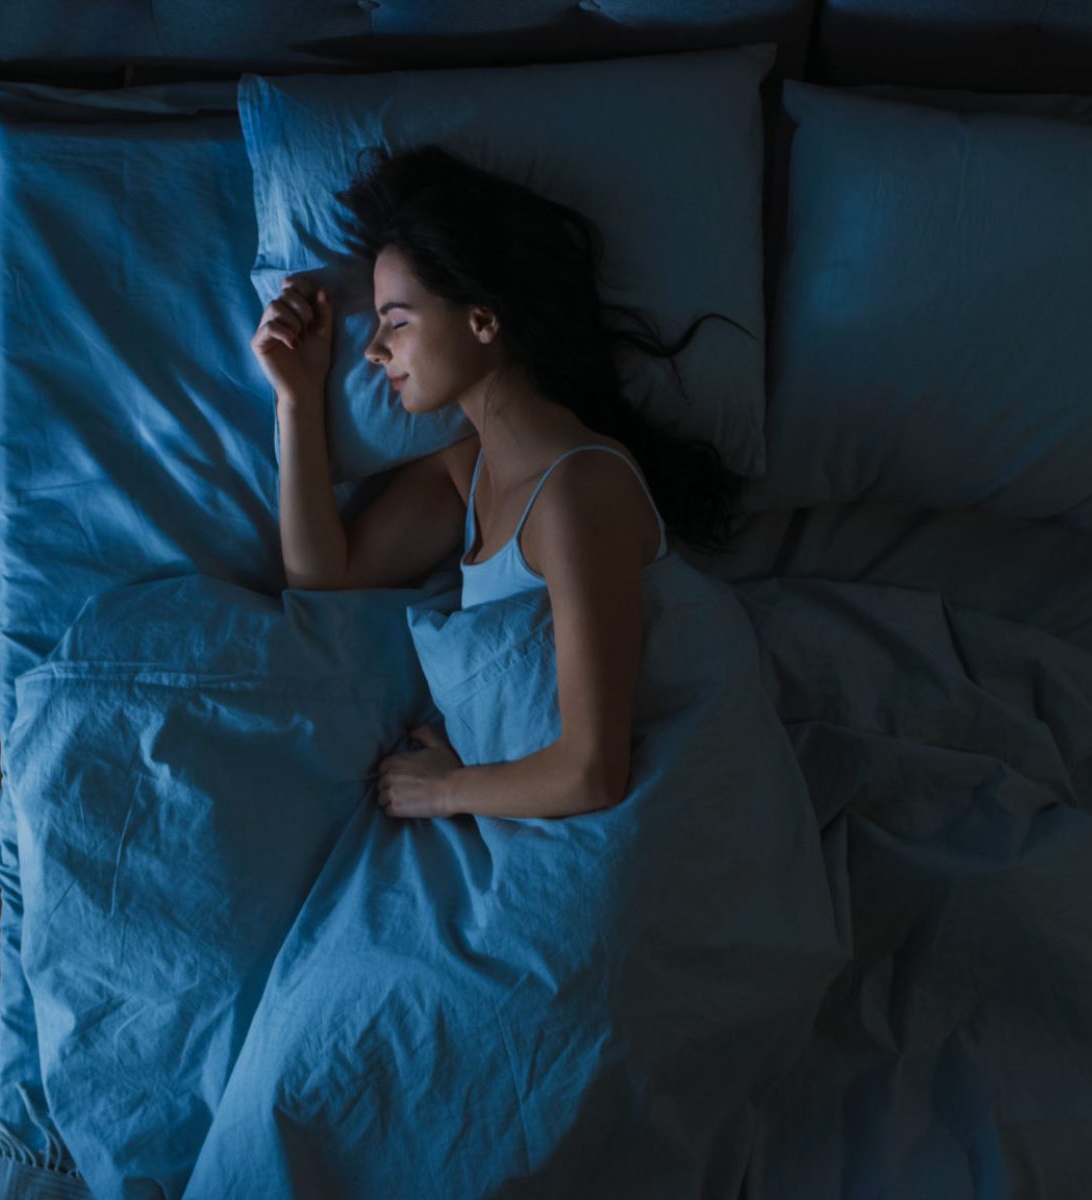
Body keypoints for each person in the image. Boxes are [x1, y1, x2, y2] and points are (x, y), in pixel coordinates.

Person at [248, 143, 753, 824]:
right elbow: (321, 577)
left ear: (483, 320)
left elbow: (593, 771)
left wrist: (445, 791)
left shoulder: (579, 491)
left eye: (397, 322)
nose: (373, 350)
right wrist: (298, 399)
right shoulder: (468, 469)